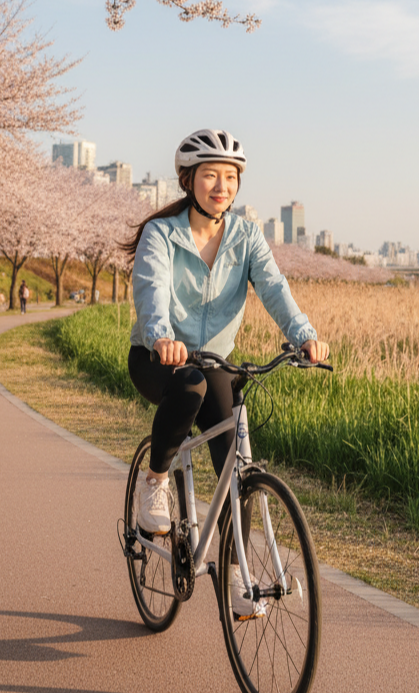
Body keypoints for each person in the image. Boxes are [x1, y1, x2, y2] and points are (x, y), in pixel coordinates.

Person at [124, 128, 329, 620]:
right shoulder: (162, 234)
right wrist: (161, 334)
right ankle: (155, 480)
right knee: (189, 386)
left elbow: (274, 287)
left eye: (231, 177)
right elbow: (151, 289)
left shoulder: (245, 236)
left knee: (235, 470)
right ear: (188, 179)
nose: (222, 186)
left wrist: (304, 334)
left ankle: (238, 579)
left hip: (217, 362)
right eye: (211, 175)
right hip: (159, 358)